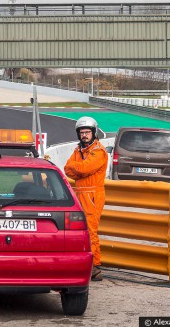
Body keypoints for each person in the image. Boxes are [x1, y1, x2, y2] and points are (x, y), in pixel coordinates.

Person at [64, 116, 108, 281]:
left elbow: (85, 168)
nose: (84, 135)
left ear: (94, 133)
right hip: (80, 193)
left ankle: (95, 267)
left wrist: (77, 168)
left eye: (87, 132)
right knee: (78, 230)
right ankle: (82, 262)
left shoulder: (99, 151)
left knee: (90, 231)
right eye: (82, 132)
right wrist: (78, 169)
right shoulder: (78, 150)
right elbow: (67, 169)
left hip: (92, 195)